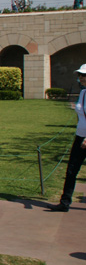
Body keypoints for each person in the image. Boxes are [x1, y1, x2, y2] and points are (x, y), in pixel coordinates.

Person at [49, 64, 86, 212]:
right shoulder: (83, 93)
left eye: (84, 75)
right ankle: (65, 202)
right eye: (80, 75)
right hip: (80, 136)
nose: (81, 78)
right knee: (71, 170)